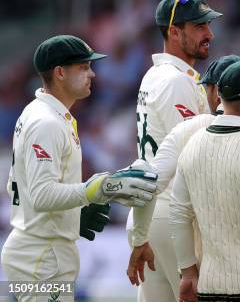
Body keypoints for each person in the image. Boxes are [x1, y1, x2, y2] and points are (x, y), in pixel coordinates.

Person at [126, 56, 240, 293]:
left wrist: (139, 236)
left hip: (174, 235)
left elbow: (150, 183)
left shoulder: (188, 132)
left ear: (217, 92)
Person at [1, 35, 158, 302]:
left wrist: (72, 215)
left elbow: (23, 187)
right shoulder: (46, 122)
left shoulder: (44, 114)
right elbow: (41, 195)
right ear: (60, 73)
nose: (93, 74)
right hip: (42, 256)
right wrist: (95, 189)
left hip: (42, 250)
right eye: (83, 67)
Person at [127, 0, 223, 302]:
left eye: (208, 25)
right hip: (174, 216)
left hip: (155, 214)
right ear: (173, 31)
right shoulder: (176, 81)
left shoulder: (155, 75)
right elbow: (197, 157)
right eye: (199, 26)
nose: (209, 33)